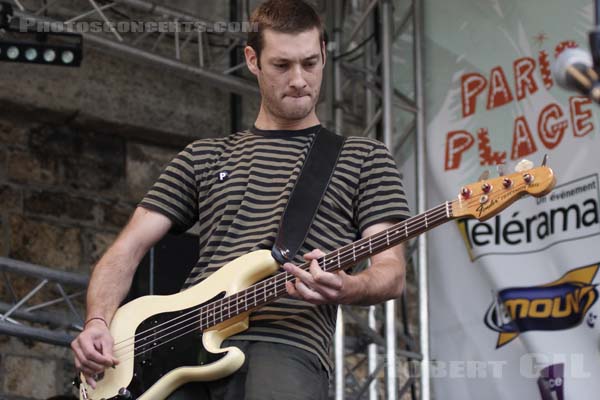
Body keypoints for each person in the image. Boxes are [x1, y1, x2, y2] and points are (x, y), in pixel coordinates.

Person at [71, 0, 410, 399]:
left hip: (288, 346)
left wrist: (347, 286)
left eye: (310, 63)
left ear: (323, 55)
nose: (300, 79)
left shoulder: (364, 157)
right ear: (252, 60)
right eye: (282, 65)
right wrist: (97, 321)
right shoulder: (203, 156)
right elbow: (127, 249)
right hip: (181, 346)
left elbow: (391, 270)